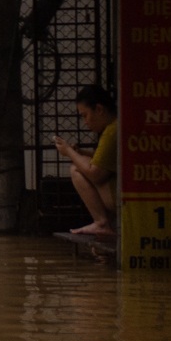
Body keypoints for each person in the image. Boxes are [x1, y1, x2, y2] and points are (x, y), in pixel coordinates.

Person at [53, 84, 119, 236]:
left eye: (85, 115)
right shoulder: (115, 127)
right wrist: (80, 153)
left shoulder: (112, 132)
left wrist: (69, 152)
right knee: (80, 161)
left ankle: (102, 223)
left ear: (99, 110)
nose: (85, 122)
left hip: (121, 198)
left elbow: (95, 173)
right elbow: (104, 160)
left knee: (76, 169)